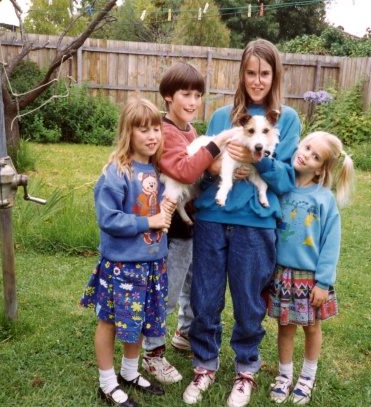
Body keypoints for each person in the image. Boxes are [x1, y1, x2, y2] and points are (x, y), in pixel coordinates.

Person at [182, 39, 301, 407]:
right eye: (250, 72)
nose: (257, 80)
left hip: (256, 222)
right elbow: (201, 166)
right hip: (213, 217)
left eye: (264, 73)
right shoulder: (222, 116)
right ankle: (205, 363)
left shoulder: (287, 120)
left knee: (250, 301)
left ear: (274, 75)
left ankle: (245, 369)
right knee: (205, 296)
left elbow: (286, 181)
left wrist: (261, 161)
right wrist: (214, 166)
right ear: (242, 74)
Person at [142, 62, 238, 385]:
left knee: (190, 284)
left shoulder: (189, 131)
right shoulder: (165, 131)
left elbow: (196, 174)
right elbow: (184, 171)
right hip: (168, 229)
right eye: (186, 94)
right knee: (165, 293)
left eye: (198, 95)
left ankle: (184, 333)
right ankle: (151, 352)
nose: (193, 101)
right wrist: (215, 146)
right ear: (168, 96)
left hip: (189, 221)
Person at [79, 98, 176, 407]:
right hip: (122, 267)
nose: (152, 136)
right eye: (142, 129)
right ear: (127, 133)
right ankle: (107, 383)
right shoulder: (116, 172)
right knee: (110, 321)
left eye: (156, 129)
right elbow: (107, 219)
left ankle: (129, 372)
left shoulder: (160, 170)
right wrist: (150, 220)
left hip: (152, 265)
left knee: (141, 320)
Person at [267, 131, 355, 404]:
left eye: (315, 156)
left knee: (312, 327)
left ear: (320, 170)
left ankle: (307, 375)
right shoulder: (280, 188)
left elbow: (331, 243)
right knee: (285, 327)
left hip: (310, 278)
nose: (305, 154)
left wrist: (323, 282)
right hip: (282, 274)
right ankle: (284, 375)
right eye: (306, 147)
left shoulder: (323, 199)